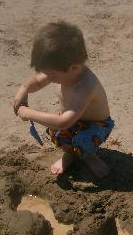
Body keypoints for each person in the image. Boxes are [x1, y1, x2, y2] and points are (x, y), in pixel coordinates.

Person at [13, 21, 114, 178]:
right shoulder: (63, 69)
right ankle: (70, 154)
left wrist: (27, 113)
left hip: (96, 126)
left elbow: (64, 122)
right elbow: (38, 81)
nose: (49, 79)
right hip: (71, 121)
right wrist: (24, 89)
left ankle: (89, 156)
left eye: (52, 76)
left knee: (82, 139)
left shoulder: (86, 86)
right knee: (56, 132)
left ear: (74, 68)